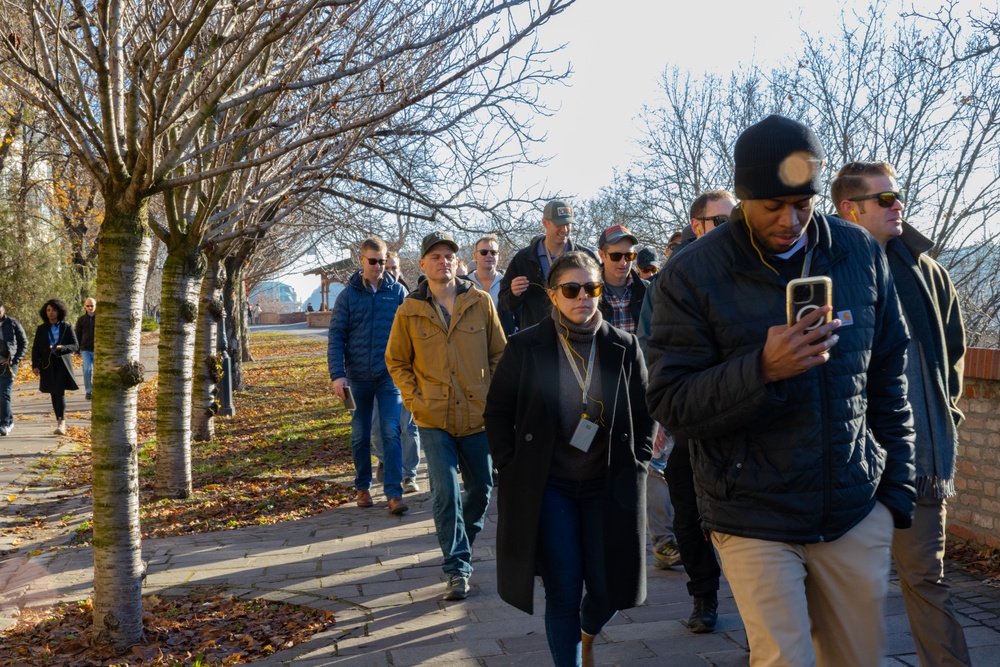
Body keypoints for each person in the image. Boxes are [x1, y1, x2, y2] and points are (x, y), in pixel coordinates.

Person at [646, 114, 915, 666]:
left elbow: (889, 373)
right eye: (774, 206)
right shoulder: (691, 273)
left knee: (856, 659)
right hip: (752, 515)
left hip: (853, 509)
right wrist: (761, 369)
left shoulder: (860, 254)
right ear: (744, 197)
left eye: (803, 203)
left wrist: (896, 494)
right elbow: (672, 403)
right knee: (785, 660)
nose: (791, 220)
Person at [485, 251, 654, 667]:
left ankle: (587, 631)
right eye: (572, 289)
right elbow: (497, 411)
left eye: (592, 288)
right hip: (550, 487)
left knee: (609, 586)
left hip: (607, 484)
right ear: (553, 295)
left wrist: (640, 460)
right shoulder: (527, 346)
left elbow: (646, 410)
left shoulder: (623, 346)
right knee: (563, 587)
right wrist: (510, 465)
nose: (583, 297)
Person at [833, 160, 970, 667]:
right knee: (843, 591)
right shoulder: (823, 270)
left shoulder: (927, 271)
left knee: (925, 581)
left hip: (918, 458)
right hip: (849, 461)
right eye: (886, 199)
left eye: (898, 196)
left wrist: (945, 416)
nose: (899, 206)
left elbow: (951, 356)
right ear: (851, 209)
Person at [386, 231, 506, 601]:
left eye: (449, 256)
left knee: (482, 489)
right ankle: (456, 567)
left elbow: (499, 354)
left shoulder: (481, 302)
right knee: (445, 492)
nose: (443, 261)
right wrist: (414, 398)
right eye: (435, 256)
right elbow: (397, 361)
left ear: (458, 261)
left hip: (477, 414)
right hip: (433, 416)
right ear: (422, 265)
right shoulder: (409, 309)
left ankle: (461, 547)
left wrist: (494, 397)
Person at [637, 190, 735, 633]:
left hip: (743, 413)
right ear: (697, 225)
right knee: (687, 511)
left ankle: (763, 616)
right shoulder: (669, 280)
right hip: (692, 415)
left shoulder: (751, 271)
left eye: (736, 218)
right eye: (720, 220)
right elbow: (651, 350)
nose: (732, 227)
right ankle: (704, 598)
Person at [328, 237, 409, 515]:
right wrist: (338, 375)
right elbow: (336, 336)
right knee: (360, 435)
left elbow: (410, 335)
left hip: (389, 377)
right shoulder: (348, 295)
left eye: (382, 261)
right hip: (357, 378)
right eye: (372, 261)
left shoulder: (397, 292)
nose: (378, 266)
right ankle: (363, 487)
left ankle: (394, 493)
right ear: (361, 260)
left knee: (391, 430)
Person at [499, 199, 598, 331]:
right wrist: (514, 293)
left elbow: (600, 296)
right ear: (545, 223)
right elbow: (506, 304)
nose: (564, 229)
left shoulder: (586, 257)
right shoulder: (523, 259)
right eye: (560, 224)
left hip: (578, 334)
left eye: (568, 224)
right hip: (538, 337)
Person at [31, 299, 80, 436]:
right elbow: (35, 349)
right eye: (48, 310)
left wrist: (62, 348)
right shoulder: (41, 329)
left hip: (62, 363)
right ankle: (58, 419)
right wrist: (35, 365)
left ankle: (61, 422)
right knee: (53, 392)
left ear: (59, 311)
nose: (51, 313)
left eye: (53, 310)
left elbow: (75, 346)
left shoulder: (66, 327)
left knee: (59, 391)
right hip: (47, 363)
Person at [595, 225, 646, 335]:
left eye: (629, 256)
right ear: (602, 255)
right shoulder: (588, 291)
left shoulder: (648, 290)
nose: (623, 262)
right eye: (616, 256)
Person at [467, 234, 516, 336]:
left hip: (502, 344)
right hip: (472, 343)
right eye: (484, 252)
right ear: (475, 255)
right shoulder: (464, 284)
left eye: (493, 252)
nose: (489, 255)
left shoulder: (508, 283)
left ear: (499, 256)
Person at [0, 301, 28, 436]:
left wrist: (15, 359)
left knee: (4, 393)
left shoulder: (12, 323)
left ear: (3, 310)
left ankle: (5, 423)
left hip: (9, 365)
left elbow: (24, 342)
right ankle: (9, 421)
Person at [74, 297, 96, 400]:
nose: (90, 307)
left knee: (99, 371)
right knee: (87, 369)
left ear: (95, 306)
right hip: (85, 349)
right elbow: (77, 335)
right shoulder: (81, 320)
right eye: (88, 306)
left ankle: (98, 389)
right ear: (85, 307)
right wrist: (77, 351)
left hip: (98, 349)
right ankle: (89, 390)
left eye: (92, 305)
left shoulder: (100, 319)